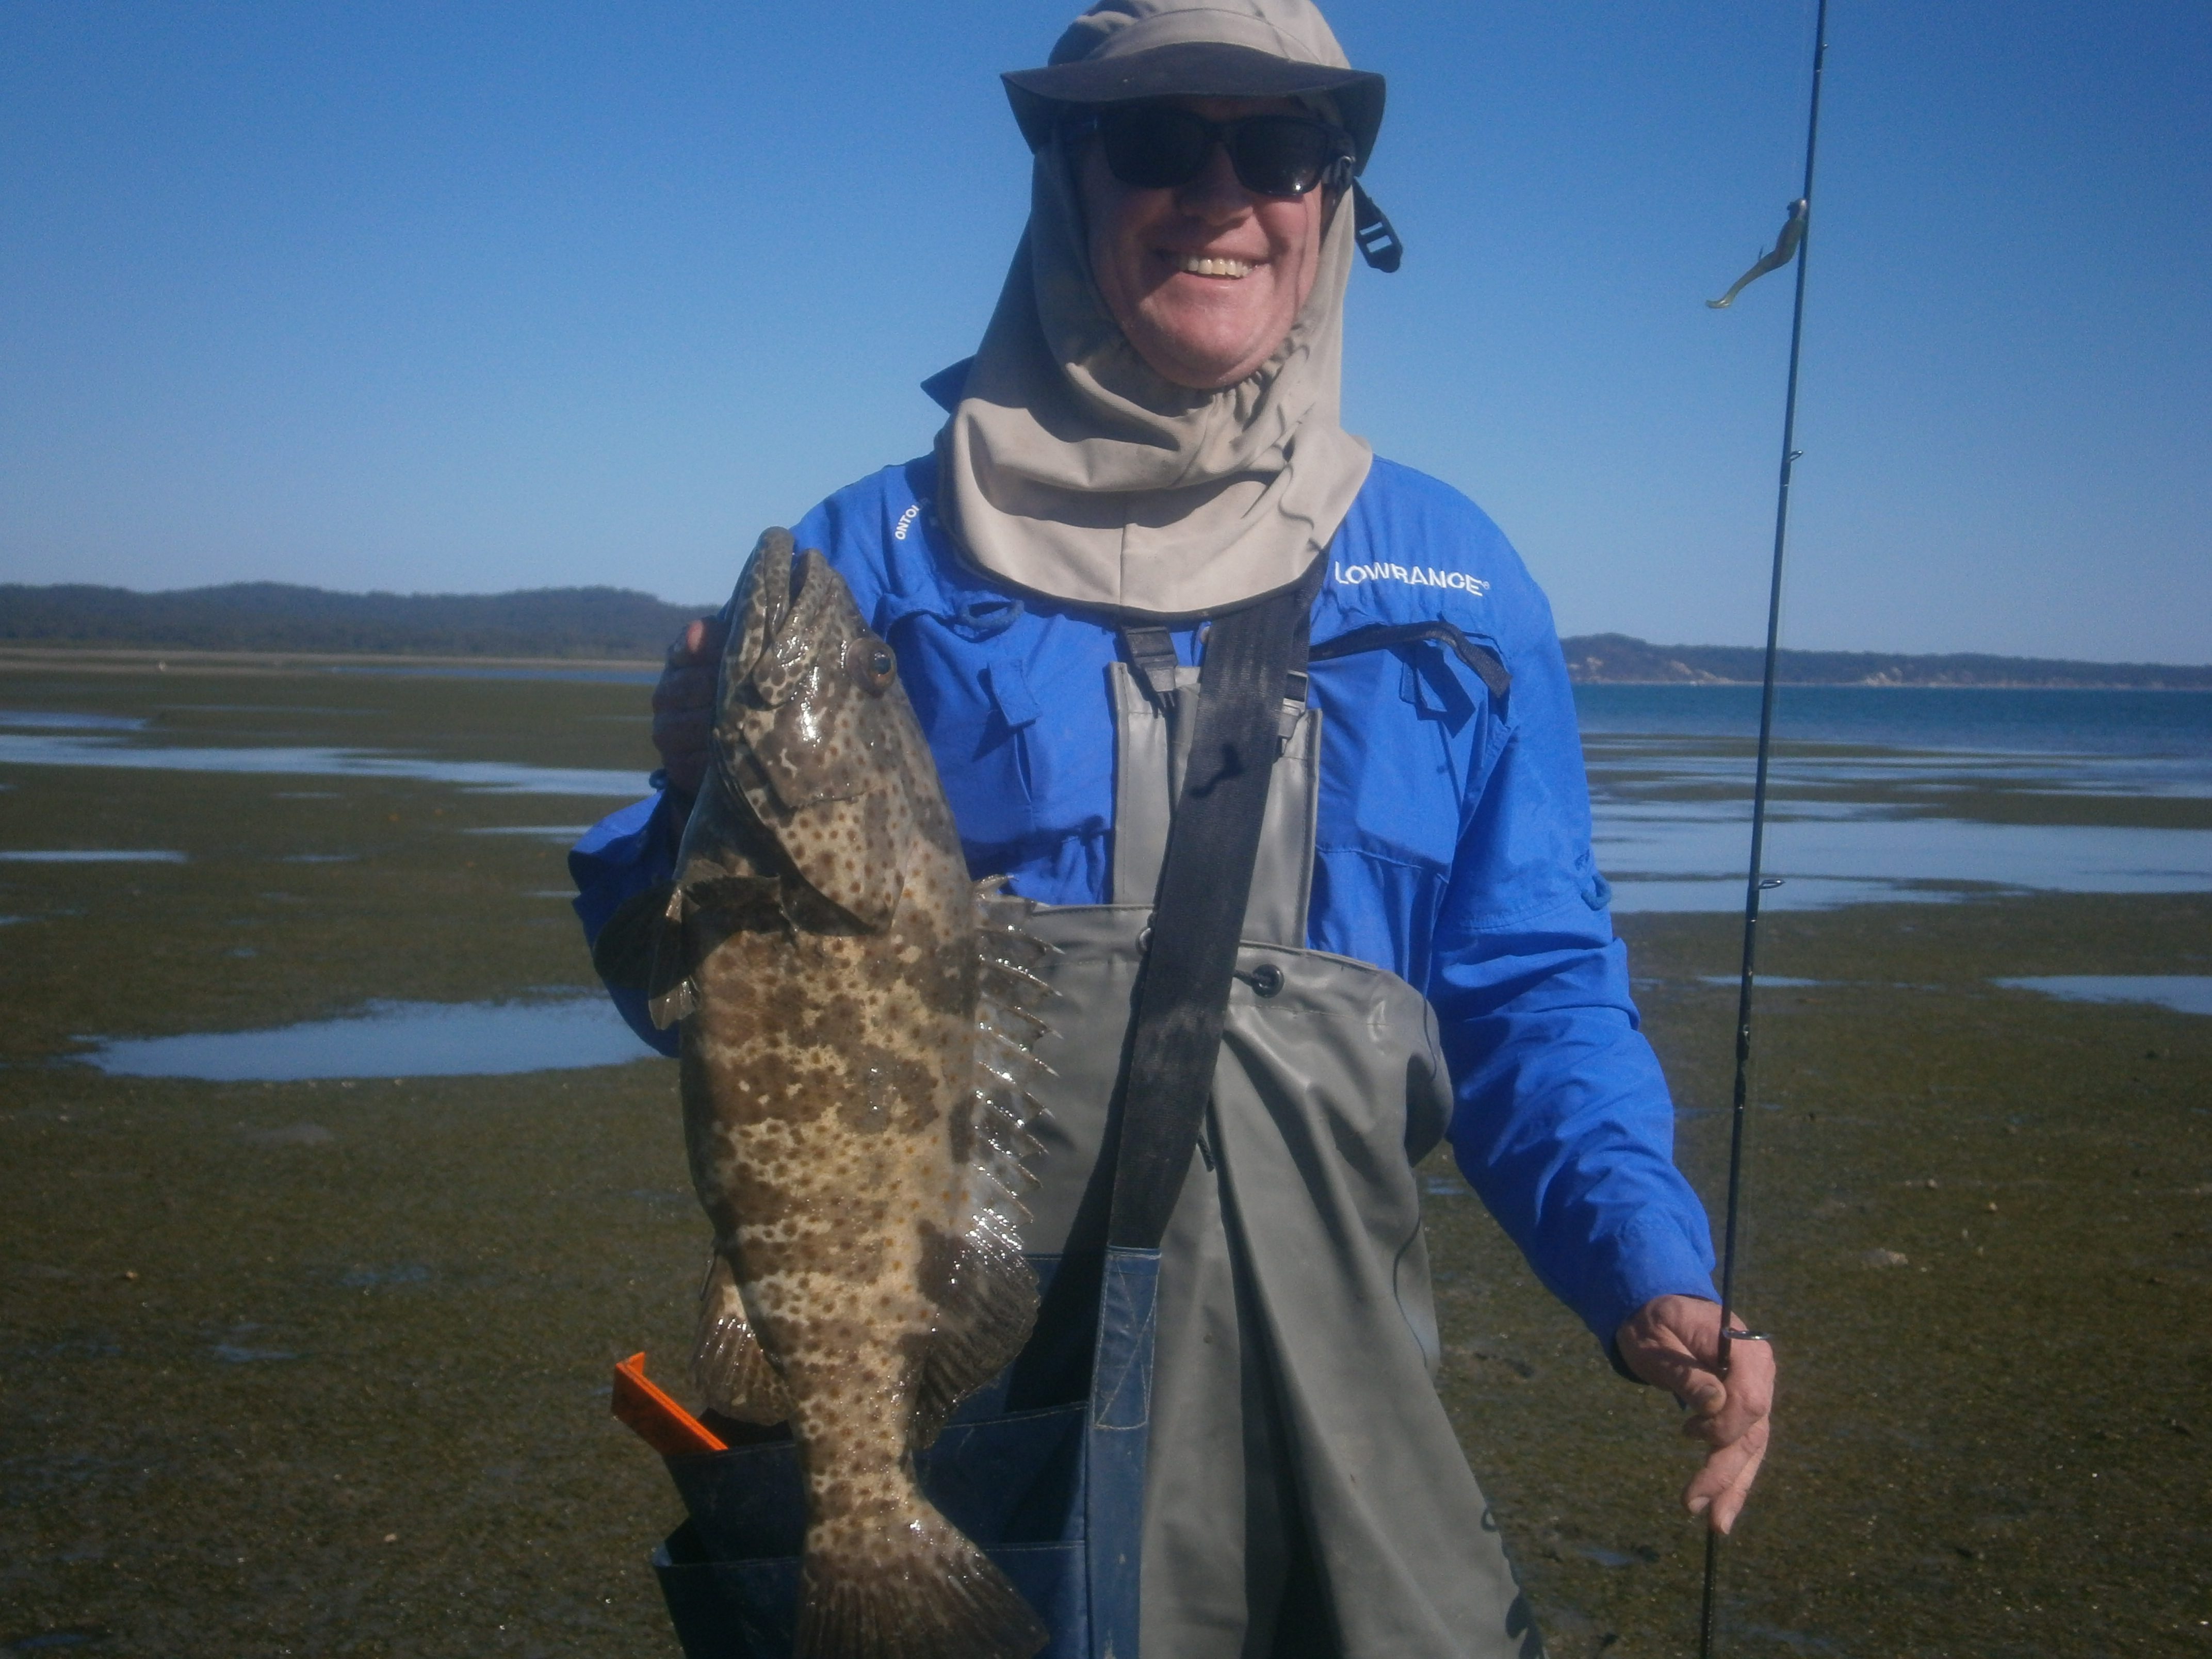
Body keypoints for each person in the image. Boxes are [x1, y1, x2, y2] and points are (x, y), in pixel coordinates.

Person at [572, 2, 1774, 1653]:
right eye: (1154, 142)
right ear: (1068, 181)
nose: (1223, 195)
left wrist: (1651, 1267)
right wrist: (676, 803)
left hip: (1336, 1446)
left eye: (1278, 148)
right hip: (988, 1433)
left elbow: (1534, 991)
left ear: (1334, 200)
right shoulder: (875, 559)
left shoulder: (1456, 576)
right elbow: (707, 999)